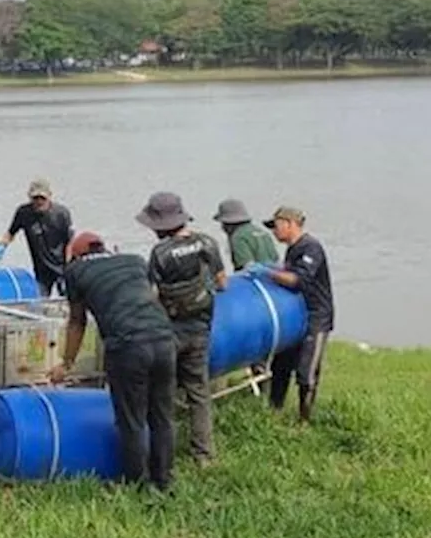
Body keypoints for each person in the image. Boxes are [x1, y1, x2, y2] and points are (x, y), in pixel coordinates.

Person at [51, 232, 177, 492]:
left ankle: (136, 484)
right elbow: (152, 297)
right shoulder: (134, 260)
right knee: (162, 416)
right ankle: (163, 481)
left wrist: (66, 363)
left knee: (131, 419)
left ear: (76, 255)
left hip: (128, 345)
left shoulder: (75, 271)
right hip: (165, 340)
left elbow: (77, 320)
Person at [138, 192, 227, 464]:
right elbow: (222, 283)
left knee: (162, 391)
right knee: (199, 393)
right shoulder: (207, 243)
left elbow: (152, 296)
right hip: (200, 329)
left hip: (170, 332)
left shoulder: (160, 253)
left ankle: (160, 453)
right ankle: (204, 455)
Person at [252, 207, 334, 423]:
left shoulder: (311, 248)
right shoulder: (292, 249)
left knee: (307, 372)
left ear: (290, 224)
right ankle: (274, 411)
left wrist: (268, 273)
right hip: (294, 314)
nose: (274, 232)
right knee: (281, 365)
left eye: (276, 226)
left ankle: (304, 421)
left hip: (316, 316)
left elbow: (299, 280)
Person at [0, 179, 73, 296]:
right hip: (41, 270)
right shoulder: (24, 213)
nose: (39, 202)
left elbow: (70, 242)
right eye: (35, 198)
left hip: (61, 267)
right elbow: (11, 233)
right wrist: (1, 246)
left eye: (42, 198)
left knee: (68, 298)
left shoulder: (61, 214)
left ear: (49, 196)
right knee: (40, 300)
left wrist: (69, 266)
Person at [212, 198, 279, 272]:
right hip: (273, 278)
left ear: (228, 223)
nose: (222, 228)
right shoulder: (262, 232)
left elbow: (247, 268)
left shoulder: (238, 237)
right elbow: (276, 261)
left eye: (223, 223)